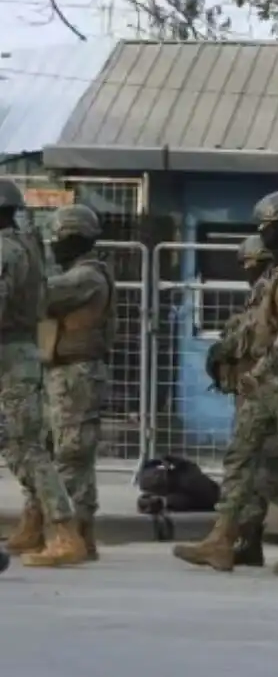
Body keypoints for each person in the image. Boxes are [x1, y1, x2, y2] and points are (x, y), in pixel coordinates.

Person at [174, 189, 278, 576]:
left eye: (267, 226)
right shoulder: (277, 273)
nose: (262, 233)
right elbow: (256, 327)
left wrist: (263, 369)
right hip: (262, 383)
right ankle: (222, 539)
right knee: (241, 457)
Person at [2, 192, 90, 568]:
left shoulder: (5, 250)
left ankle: (64, 530)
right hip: (18, 351)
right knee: (17, 445)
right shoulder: (27, 245)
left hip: (9, 354)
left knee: (26, 446)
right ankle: (40, 523)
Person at [32, 204, 117, 565]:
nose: (54, 246)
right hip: (72, 372)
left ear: (74, 239)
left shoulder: (85, 277)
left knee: (69, 455)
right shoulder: (85, 274)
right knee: (75, 455)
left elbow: (41, 295)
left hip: (75, 374)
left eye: (58, 239)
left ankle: (66, 538)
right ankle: (82, 535)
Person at [201, 234, 278, 567]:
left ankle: (226, 539)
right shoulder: (262, 293)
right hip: (255, 388)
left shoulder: (271, 291)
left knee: (247, 463)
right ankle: (247, 540)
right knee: (258, 468)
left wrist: (226, 347)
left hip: (263, 389)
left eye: (248, 265)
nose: (245, 271)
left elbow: (256, 339)